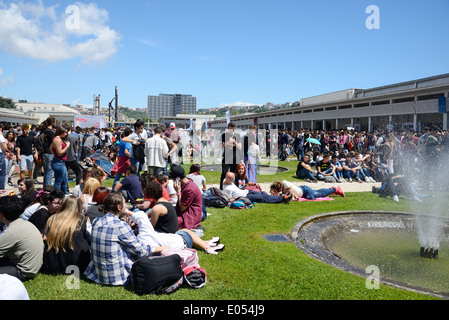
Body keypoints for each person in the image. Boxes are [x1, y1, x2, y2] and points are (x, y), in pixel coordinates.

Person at [83, 193, 154, 286]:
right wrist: (156, 248)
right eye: (125, 203)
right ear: (119, 207)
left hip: (97, 273)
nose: (126, 205)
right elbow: (142, 251)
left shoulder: (97, 221)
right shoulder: (120, 226)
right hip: (117, 277)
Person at [42, 196, 91, 275]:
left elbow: (46, 236)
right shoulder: (83, 220)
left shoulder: (52, 219)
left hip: (52, 263)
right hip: (77, 264)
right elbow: (91, 238)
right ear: (78, 206)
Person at [0, 196, 44, 281]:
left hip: (23, 272)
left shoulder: (11, 232)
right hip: (34, 268)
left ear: (1, 215)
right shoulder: (25, 223)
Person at [223, 172, 292, 204]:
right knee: (263, 198)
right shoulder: (227, 189)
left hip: (247, 192)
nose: (233, 180)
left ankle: (278, 197)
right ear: (228, 179)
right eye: (232, 179)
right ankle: (283, 198)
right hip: (245, 197)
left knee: (263, 194)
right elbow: (229, 199)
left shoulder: (226, 181)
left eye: (234, 178)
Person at [170, 164, 203, 231]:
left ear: (177, 178)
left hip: (191, 215)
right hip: (187, 211)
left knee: (171, 224)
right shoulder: (187, 183)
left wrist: (178, 192)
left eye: (173, 179)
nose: (172, 181)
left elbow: (182, 208)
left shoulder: (189, 189)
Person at [220, 122, 243, 190]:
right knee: (224, 173)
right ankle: (222, 188)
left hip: (235, 157)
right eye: (230, 128)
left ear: (234, 129)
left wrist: (234, 142)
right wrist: (227, 143)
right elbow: (219, 146)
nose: (231, 130)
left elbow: (240, 147)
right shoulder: (224, 135)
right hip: (226, 157)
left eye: (232, 129)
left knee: (234, 174)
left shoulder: (238, 135)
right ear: (228, 128)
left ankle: (234, 187)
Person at [269, 181, 345, 201]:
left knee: (319, 194)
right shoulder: (283, 186)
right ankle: (331, 190)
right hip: (302, 191)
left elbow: (289, 196)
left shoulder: (286, 185)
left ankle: (335, 189)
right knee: (317, 192)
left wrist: (278, 194)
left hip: (305, 191)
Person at [50, 125, 71, 195]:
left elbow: (51, 148)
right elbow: (60, 153)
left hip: (61, 162)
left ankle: (63, 195)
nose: (66, 134)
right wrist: (67, 146)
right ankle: (57, 196)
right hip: (58, 162)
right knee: (58, 181)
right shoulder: (57, 140)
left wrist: (55, 153)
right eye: (65, 132)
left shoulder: (59, 139)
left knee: (64, 181)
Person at [111, 127, 132, 191]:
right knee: (129, 175)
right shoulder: (127, 141)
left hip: (121, 158)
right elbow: (126, 152)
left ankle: (113, 189)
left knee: (118, 174)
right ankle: (129, 189)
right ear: (130, 134)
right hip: (126, 159)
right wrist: (131, 156)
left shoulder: (122, 140)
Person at [41, 117, 56, 187]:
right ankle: (47, 187)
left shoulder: (44, 131)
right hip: (50, 153)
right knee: (50, 172)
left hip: (45, 152)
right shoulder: (50, 132)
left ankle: (45, 186)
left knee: (46, 171)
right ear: (53, 123)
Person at [0, 125, 8, 195]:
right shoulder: (0, 136)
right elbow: (4, 148)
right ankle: (2, 188)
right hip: (0, 155)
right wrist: (5, 142)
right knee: (2, 173)